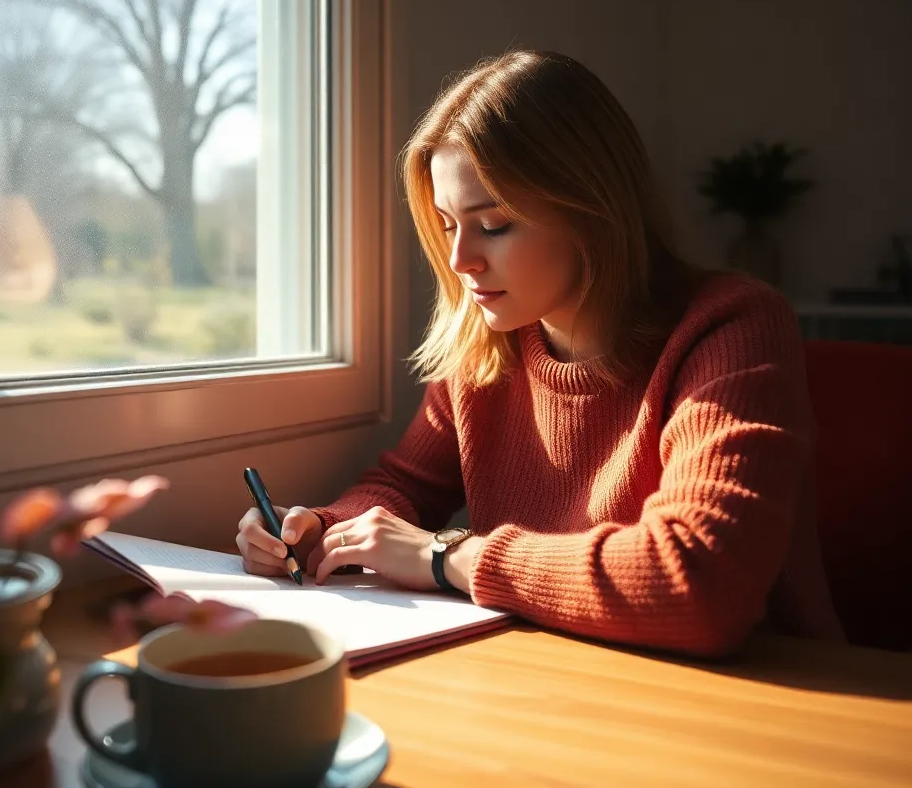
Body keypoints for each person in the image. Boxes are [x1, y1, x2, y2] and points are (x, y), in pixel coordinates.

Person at [236, 49, 845, 658]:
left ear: (592, 208)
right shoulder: (488, 347)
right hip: (555, 670)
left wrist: (447, 557)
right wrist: (323, 529)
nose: (460, 260)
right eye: (447, 224)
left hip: (756, 690)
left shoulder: (730, 327)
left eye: (494, 225)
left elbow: (699, 583)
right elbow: (404, 486)